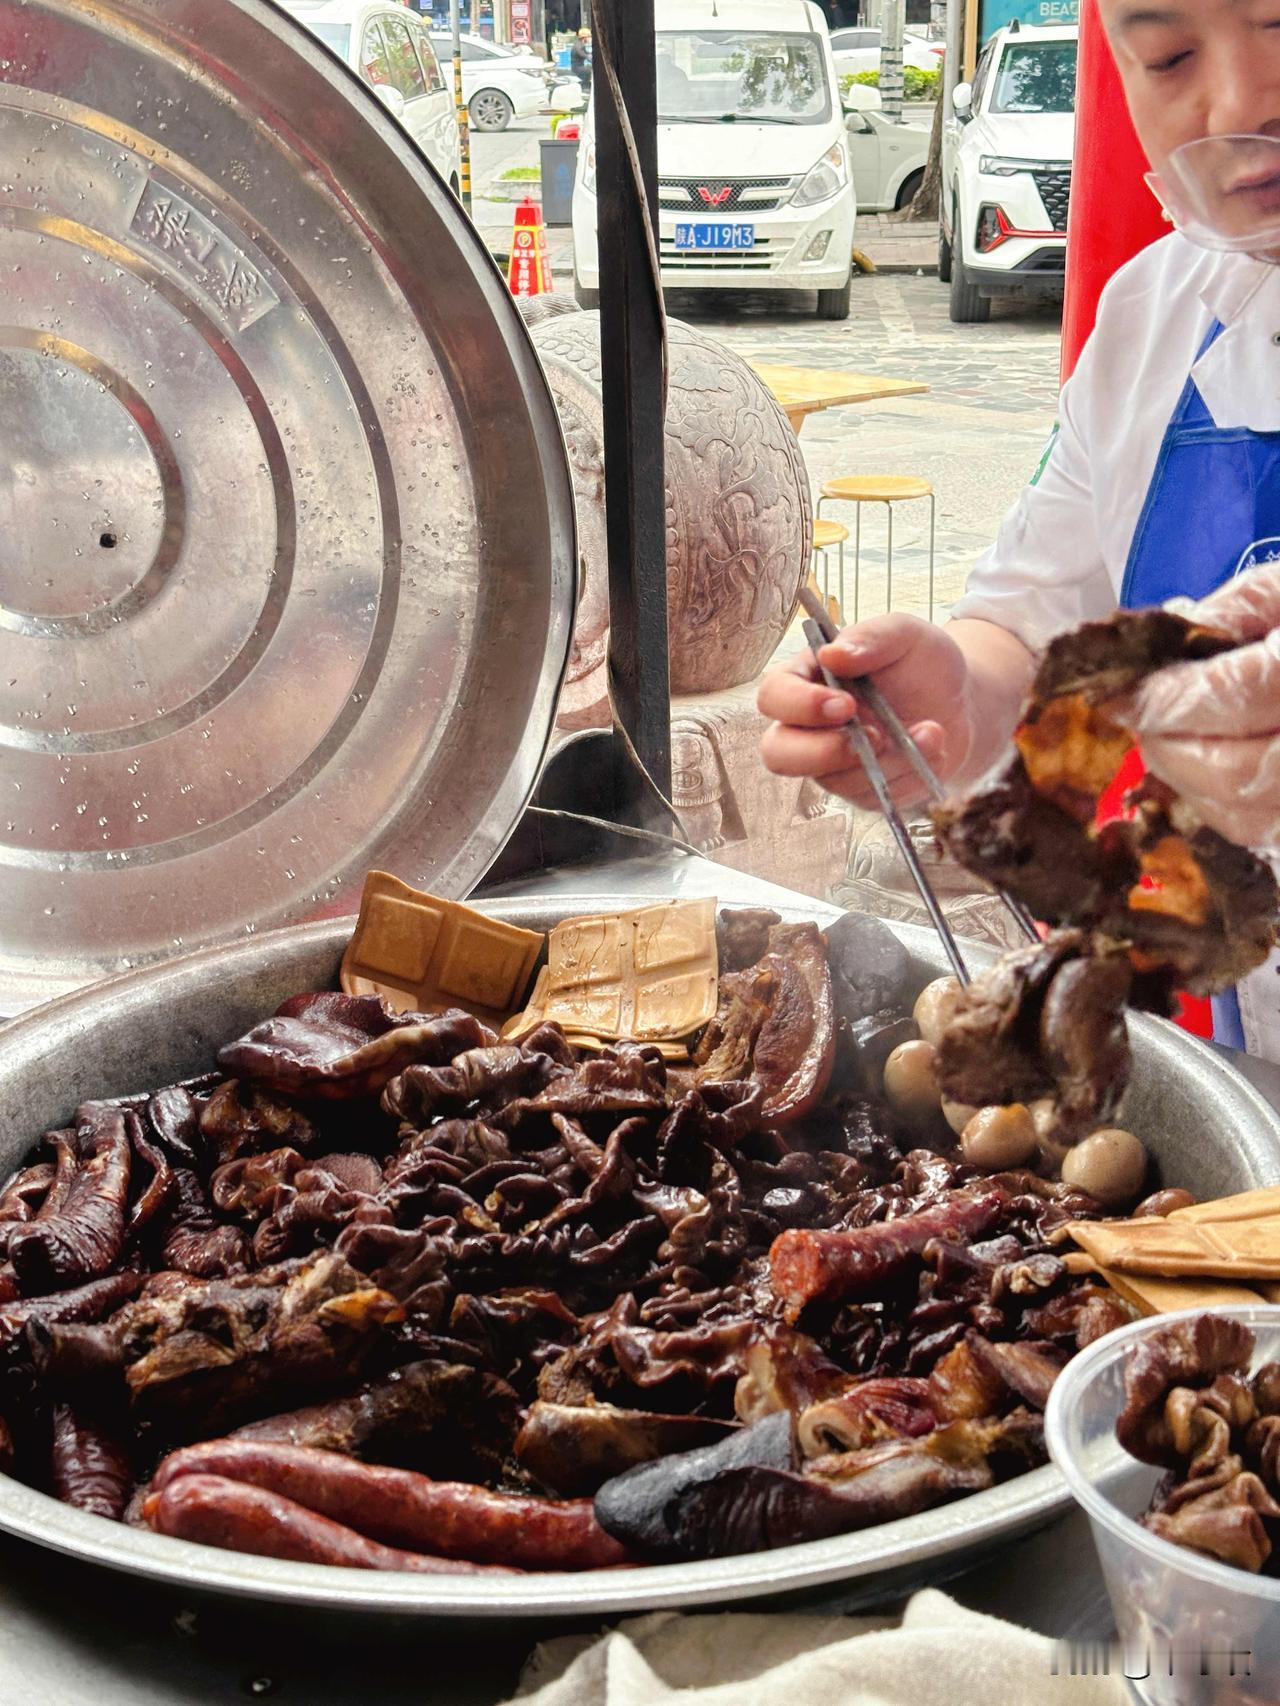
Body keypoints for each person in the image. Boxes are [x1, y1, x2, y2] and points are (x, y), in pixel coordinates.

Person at [758, 0, 1280, 1060]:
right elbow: (1035, 620)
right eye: (1168, 56)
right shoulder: (1151, 316)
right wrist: (953, 693)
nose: (1235, 103)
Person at [570, 26, 592, 95]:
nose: (589, 39)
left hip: (578, 67)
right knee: (588, 71)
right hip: (577, 68)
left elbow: (587, 53)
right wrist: (591, 58)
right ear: (584, 38)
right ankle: (585, 89)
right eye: (589, 37)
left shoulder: (580, 44)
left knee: (588, 70)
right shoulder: (579, 46)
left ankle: (585, 86)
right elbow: (585, 55)